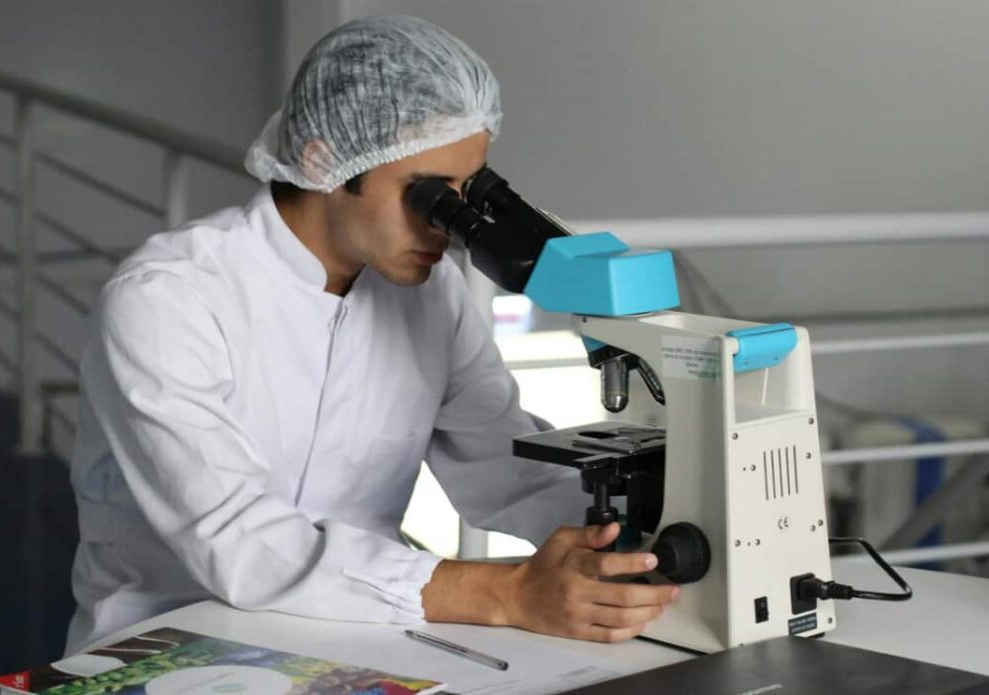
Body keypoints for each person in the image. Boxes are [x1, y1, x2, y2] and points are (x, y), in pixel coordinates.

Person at [65, 15, 678, 654]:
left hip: (355, 638)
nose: (450, 226)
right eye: (430, 196)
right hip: (168, 644)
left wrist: (639, 541)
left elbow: (506, 467)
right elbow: (240, 541)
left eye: (469, 191)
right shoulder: (170, 298)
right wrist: (508, 594)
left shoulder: (429, 295)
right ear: (325, 160)